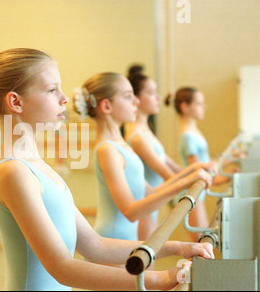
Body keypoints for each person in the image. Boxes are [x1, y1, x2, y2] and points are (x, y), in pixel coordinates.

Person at [0, 48, 214, 291]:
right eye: (52, 90)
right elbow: (62, 268)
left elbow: (96, 246)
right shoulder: (13, 172)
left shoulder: (40, 168)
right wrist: (159, 279)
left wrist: (177, 247)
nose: (64, 98)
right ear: (15, 102)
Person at [73, 72, 214, 242]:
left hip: (126, 238)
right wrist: (186, 181)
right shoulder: (107, 150)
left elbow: (150, 192)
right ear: (106, 107)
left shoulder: (121, 145)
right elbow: (131, 212)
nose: (136, 102)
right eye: (128, 97)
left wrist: (193, 172)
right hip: (113, 237)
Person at [124, 67, 206, 240]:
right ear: (136, 99)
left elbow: (174, 167)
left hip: (152, 206)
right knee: (146, 263)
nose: (158, 98)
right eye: (152, 92)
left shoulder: (146, 131)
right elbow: (168, 175)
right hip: (145, 206)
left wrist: (200, 167)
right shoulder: (137, 136)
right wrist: (195, 175)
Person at [166, 87, 229, 240]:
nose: (204, 107)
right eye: (199, 104)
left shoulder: (193, 132)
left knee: (202, 241)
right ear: (185, 107)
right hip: (192, 192)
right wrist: (225, 175)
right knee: (200, 243)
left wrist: (225, 171)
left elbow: (206, 166)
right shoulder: (187, 136)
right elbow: (199, 170)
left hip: (198, 190)